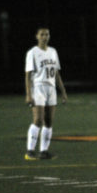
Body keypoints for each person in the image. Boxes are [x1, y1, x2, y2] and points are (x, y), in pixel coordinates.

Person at [24, 27, 67, 160]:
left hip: (51, 89)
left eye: (47, 34)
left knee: (48, 121)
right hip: (38, 87)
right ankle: (30, 151)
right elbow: (28, 75)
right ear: (37, 36)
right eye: (42, 34)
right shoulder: (32, 52)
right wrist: (28, 94)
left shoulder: (53, 51)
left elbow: (56, 73)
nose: (45, 36)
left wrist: (63, 91)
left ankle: (44, 151)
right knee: (38, 119)